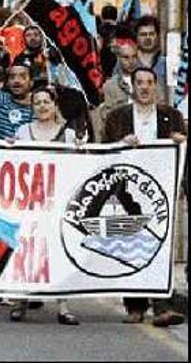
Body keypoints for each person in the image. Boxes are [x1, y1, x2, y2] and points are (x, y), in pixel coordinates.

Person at [103, 67, 186, 327]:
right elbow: (104, 148)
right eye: (139, 83)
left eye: (149, 82)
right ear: (132, 86)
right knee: (132, 247)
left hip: (161, 191)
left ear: (156, 86)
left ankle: (162, 306)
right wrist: (121, 143)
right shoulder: (118, 117)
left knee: (159, 246)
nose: (145, 87)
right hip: (128, 192)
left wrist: (180, 140)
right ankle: (135, 305)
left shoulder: (171, 116)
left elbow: (182, 148)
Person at [6, 85, 81, 325]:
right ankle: (20, 301)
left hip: (57, 203)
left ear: (54, 104)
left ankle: (63, 306)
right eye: (37, 102)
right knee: (26, 250)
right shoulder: (22, 132)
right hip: (29, 203)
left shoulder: (68, 135)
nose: (42, 106)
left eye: (46, 101)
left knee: (57, 251)